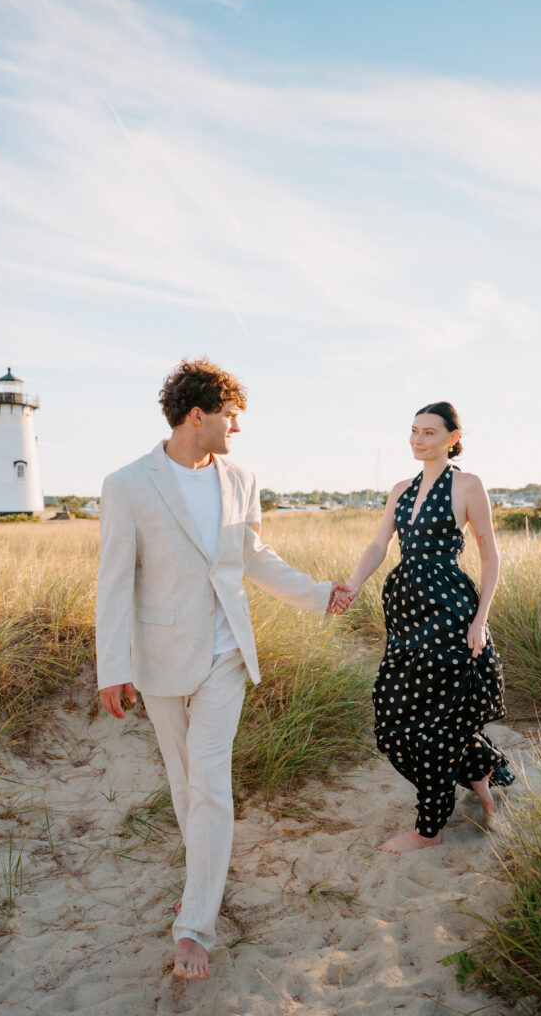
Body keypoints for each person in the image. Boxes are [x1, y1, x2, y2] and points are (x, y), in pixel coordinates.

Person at [95, 358, 352, 980]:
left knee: (209, 781)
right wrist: (113, 666)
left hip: (227, 654)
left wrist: (319, 593)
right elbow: (114, 582)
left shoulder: (241, 478)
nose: (237, 428)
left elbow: (252, 555)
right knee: (185, 783)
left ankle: (194, 927)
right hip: (158, 658)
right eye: (230, 417)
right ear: (196, 415)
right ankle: (201, 878)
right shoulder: (127, 484)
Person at [345, 402, 513, 854]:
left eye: (430, 433)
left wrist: (481, 621)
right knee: (394, 716)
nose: (419, 440)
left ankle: (429, 829)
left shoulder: (468, 485)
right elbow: (380, 543)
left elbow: (490, 555)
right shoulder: (401, 489)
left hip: (450, 612)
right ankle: (479, 773)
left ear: (452, 438)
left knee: (439, 719)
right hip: (404, 612)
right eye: (414, 431)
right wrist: (354, 584)